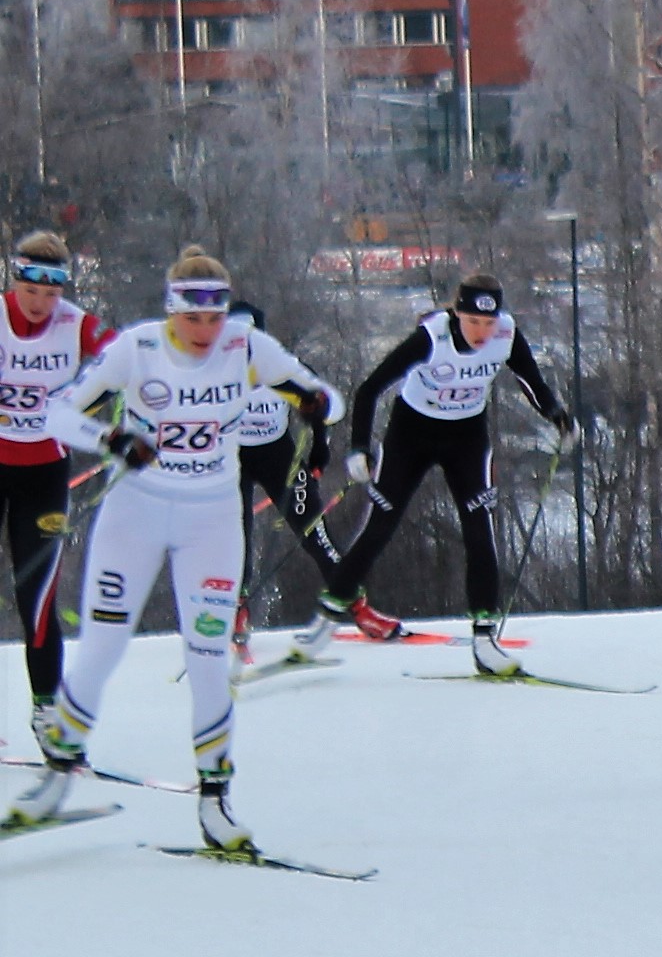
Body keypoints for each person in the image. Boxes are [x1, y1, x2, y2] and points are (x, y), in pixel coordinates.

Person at [5, 248, 343, 849]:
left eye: (215, 318)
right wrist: (113, 438)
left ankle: (216, 801)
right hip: (134, 515)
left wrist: (317, 405)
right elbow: (58, 413)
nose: (206, 332)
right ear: (172, 312)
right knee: (103, 646)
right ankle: (57, 776)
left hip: (211, 522)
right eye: (194, 320)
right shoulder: (135, 348)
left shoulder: (247, 347)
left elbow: (324, 396)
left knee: (210, 655)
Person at [311, 273, 569, 671]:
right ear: (456, 314)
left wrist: (559, 418)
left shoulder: (506, 335)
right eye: (473, 321)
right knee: (380, 526)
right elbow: (370, 388)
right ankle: (324, 624)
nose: (482, 331)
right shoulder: (432, 337)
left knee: (480, 531)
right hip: (411, 436)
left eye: (488, 322)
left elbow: (531, 381)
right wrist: (360, 447)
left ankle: (484, 641)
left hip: (466, 438)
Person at [0, 229, 112, 736]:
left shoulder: (78, 325)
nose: (42, 303)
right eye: (32, 291)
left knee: (39, 595)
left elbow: (131, 362)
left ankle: (47, 709)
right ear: (15, 279)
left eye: (53, 292)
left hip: (45, 475)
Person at [225, 304, 349, 641]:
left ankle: (352, 600)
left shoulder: (279, 366)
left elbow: (317, 407)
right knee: (235, 536)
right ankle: (236, 610)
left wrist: (320, 449)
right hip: (230, 458)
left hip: (278, 455)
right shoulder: (215, 368)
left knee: (311, 527)